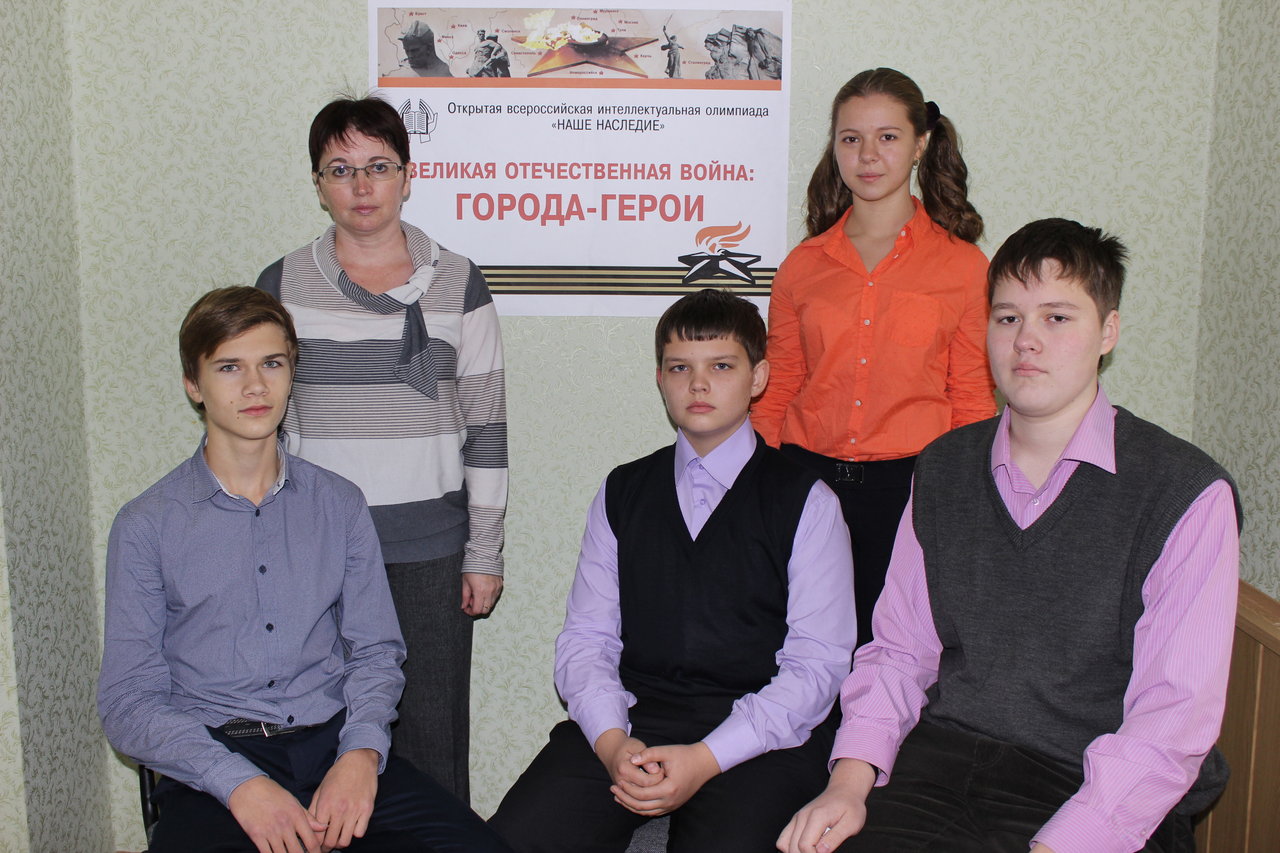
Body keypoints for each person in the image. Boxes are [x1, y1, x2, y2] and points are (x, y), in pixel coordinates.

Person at [776, 219, 1241, 853]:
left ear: (1108, 331)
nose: (1026, 341)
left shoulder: (1185, 491)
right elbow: (900, 652)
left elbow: (1172, 719)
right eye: (1007, 318)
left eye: (1057, 318)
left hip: (1098, 785)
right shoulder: (942, 468)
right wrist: (848, 784)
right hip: (943, 765)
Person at [97, 287, 511, 853]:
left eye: (272, 363)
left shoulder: (339, 503)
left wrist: (360, 754)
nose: (255, 386)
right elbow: (129, 701)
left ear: (292, 373)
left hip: (333, 744)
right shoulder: (146, 524)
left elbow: (375, 652)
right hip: (215, 759)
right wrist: (238, 784)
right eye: (229, 367)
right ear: (193, 384)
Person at [489, 289, 857, 852]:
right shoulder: (623, 490)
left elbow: (817, 668)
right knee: (513, 840)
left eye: (721, 366)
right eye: (680, 368)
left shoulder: (807, 501)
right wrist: (612, 744)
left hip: (760, 734)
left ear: (758, 378)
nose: (698, 385)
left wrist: (706, 759)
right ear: (660, 379)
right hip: (637, 717)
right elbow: (586, 639)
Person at [256, 95, 506, 802]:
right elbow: (258, 425)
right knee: (323, 739)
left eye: (378, 166)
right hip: (316, 550)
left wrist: (484, 552)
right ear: (318, 184)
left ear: (407, 175)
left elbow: (487, 425)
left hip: (431, 551)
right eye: (340, 169)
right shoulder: (281, 284)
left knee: (431, 745)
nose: (361, 186)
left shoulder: (459, 280)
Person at [752, 68, 995, 649]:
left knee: (898, 655)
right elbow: (779, 387)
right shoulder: (802, 266)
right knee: (802, 648)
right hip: (807, 481)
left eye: (887, 137)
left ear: (920, 144)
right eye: (851, 138)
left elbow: (971, 396)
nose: (867, 155)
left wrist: (967, 500)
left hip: (914, 490)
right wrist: (757, 483)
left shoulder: (965, 267)